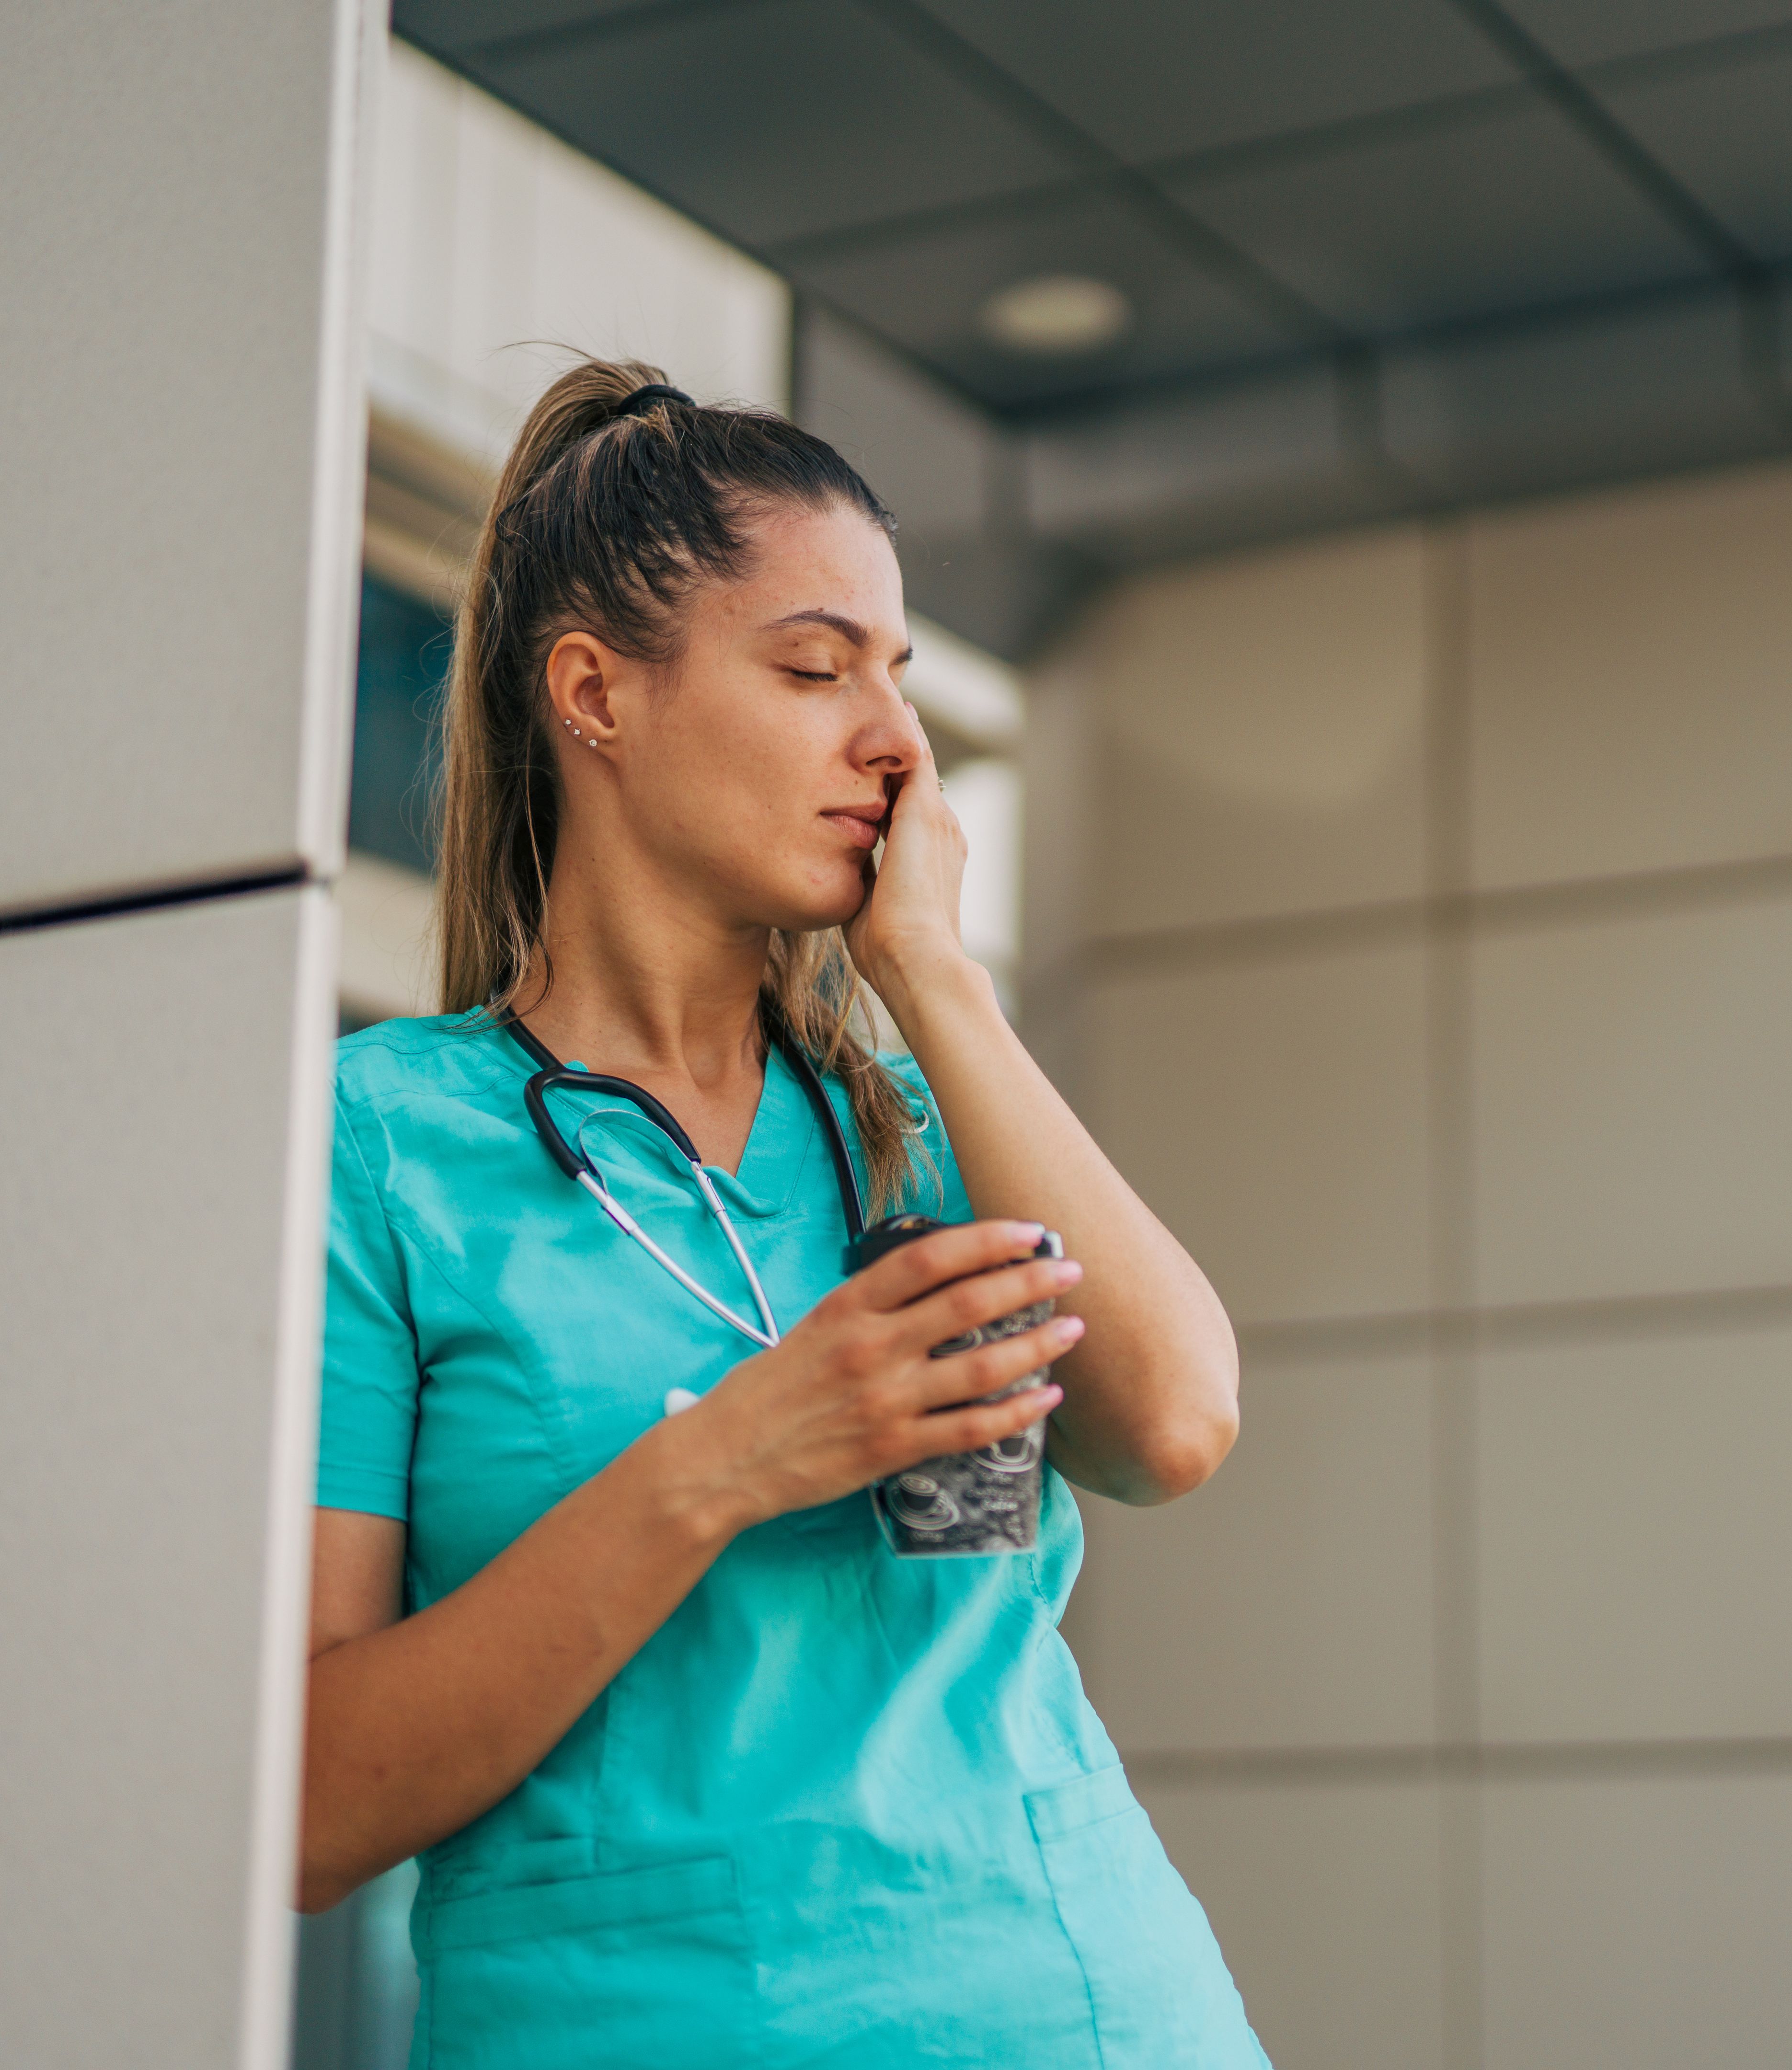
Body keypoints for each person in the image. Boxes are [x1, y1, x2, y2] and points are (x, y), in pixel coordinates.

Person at [298, 358, 1266, 2070]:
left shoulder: (912, 1117)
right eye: (817, 670)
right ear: (594, 695)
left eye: (894, 677)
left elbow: (1175, 1423)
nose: (893, 740)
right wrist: (725, 1466)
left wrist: (935, 981)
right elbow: (304, 1801)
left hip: (1087, 2012)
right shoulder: (377, 1151)